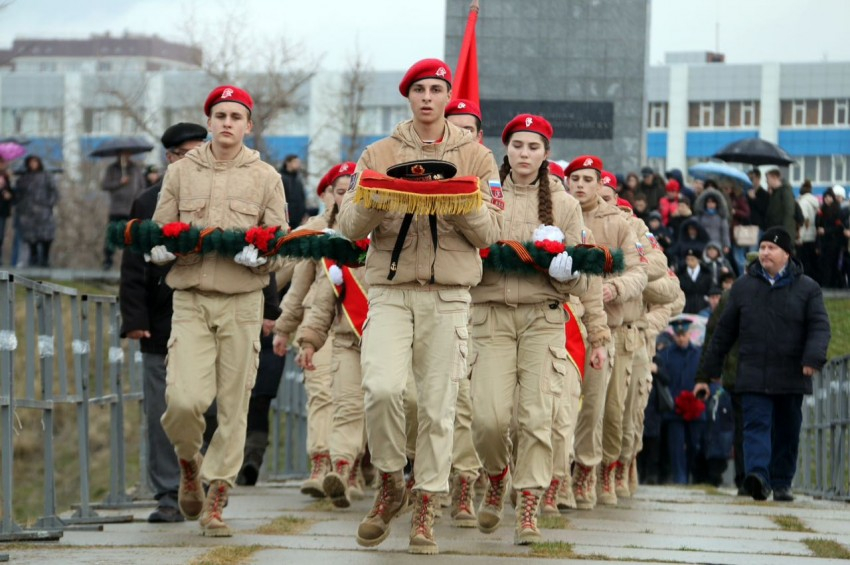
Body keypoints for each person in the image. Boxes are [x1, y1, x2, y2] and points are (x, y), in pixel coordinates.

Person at [336, 58, 502, 555]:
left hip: (450, 296)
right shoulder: (379, 152)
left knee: (438, 407)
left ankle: (427, 502)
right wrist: (379, 195)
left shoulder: (477, 157)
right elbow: (348, 227)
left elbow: (492, 234)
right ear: (407, 96)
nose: (428, 97)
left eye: (437, 89)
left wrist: (457, 198)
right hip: (389, 291)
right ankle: (390, 482)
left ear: (448, 96)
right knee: (382, 389)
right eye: (419, 90)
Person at [150, 85, 289, 536]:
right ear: (208, 122)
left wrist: (264, 258)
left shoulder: (266, 176)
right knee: (183, 400)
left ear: (249, 126)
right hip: (190, 297)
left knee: (234, 404)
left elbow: (281, 242)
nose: (227, 123)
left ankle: (217, 497)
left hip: (242, 301)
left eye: (236, 116)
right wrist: (160, 248)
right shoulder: (180, 173)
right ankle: (190, 461)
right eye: (220, 115)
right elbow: (160, 227)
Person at [470, 114, 585, 545]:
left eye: (533, 147)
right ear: (506, 149)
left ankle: (529, 502)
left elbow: (582, 275)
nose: (524, 154)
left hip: (542, 318)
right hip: (490, 315)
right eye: (518, 145)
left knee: (537, 417)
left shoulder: (566, 205)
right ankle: (497, 475)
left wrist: (566, 269)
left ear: (546, 154)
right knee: (487, 417)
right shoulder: (483, 197)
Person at [699, 227, 830, 502]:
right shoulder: (743, 288)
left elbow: (819, 327)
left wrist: (813, 358)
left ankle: (782, 482)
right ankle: (758, 476)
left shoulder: (808, 288)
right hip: (753, 374)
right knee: (755, 426)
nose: (765, 253)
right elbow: (723, 332)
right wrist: (708, 371)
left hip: (791, 374)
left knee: (787, 430)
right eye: (763, 248)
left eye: (771, 248)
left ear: (786, 253)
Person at [119, 122, 208, 523]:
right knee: (162, 409)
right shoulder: (146, 201)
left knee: (210, 407)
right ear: (170, 158)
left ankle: (208, 479)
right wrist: (134, 318)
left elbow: (255, 246)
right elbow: (132, 263)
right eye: (187, 154)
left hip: (212, 319)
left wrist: (267, 310)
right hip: (161, 320)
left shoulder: (221, 196)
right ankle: (169, 493)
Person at [567, 155, 647, 510]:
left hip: (608, 328)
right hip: (564, 322)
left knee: (600, 409)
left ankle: (588, 470)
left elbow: (641, 272)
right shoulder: (556, 211)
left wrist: (615, 288)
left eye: (587, 179)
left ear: (601, 185)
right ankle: (557, 476)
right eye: (574, 178)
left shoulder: (618, 223)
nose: (580, 185)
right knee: (561, 406)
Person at [660, 318, 704, 484]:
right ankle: (680, 478)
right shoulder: (666, 354)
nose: (680, 338)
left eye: (683, 334)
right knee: (676, 446)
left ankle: (688, 473)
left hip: (695, 407)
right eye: (677, 335)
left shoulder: (698, 354)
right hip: (674, 408)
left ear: (689, 334)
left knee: (694, 444)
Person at [101, 150, 146, 269]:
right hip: (116, 208)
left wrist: (137, 198)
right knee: (112, 234)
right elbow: (105, 185)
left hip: (131, 208)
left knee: (131, 235)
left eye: (128, 154)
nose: (126, 156)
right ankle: (108, 261)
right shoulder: (112, 168)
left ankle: (131, 262)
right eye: (123, 154)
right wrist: (119, 182)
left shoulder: (135, 168)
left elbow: (142, 186)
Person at [13, 155, 58, 267]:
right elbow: (18, 196)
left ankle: (45, 259)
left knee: (46, 237)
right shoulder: (23, 179)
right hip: (28, 213)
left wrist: (49, 204)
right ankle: (34, 258)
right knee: (31, 238)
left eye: (35, 162)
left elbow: (54, 192)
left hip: (44, 211)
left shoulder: (46, 176)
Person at [816, 187, 846, 289]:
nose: (827, 199)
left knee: (832, 264)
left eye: (829, 197)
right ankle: (826, 284)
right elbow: (818, 224)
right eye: (826, 197)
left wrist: (826, 230)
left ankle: (831, 284)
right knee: (824, 264)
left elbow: (838, 227)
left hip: (834, 241)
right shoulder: (821, 210)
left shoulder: (837, 210)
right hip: (824, 242)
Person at [764, 168, 797, 248]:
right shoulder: (775, 192)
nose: (766, 181)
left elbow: (789, 211)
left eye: (768, 178)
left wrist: (784, 231)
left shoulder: (785, 190)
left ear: (775, 177)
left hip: (783, 231)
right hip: (775, 230)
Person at [677, 248, 713, 314]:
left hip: (702, 304)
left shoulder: (706, 273)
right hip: (685, 305)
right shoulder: (680, 274)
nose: (690, 261)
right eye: (688, 259)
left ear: (698, 260)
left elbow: (710, 288)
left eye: (692, 259)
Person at [797, 180, 819, 282]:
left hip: (805, 236)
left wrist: (800, 237)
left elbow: (805, 221)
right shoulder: (815, 202)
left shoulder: (803, 202)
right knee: (812, 261)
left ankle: (804, 282)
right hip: (814, 235)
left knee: (804, 262)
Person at [280, 154, 307, 228]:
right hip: (285, 219)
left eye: (299, 162)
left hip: (298, 220)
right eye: (295, 162)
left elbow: (302, 198)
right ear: (288, 163)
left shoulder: (298, 179)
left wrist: (304, 213)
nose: (298, 164)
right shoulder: (281, 178)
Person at [0, 156, 13, 265]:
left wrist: (8, 194)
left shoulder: (6, 176)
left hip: (2, 210)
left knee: (1, 236)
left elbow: (12, 193)